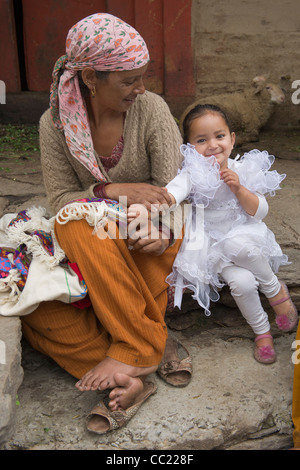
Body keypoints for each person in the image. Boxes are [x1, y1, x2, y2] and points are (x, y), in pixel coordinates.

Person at [20, 12, 192, 434]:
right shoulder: (54, 125)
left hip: (149, 234)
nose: (142, 88)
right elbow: (62, 200)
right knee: (35, 311)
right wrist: (109, 190)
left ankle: (133, 349)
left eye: (143, 76)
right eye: (130, 80)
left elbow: (172, 189)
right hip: (92, 239)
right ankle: (143, 356)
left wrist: (156, 224)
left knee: (92, 232)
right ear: (91, 78)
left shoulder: (151, 110)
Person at [128, 103, 298, 364]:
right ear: (189, 146)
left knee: (238, 245)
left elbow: (260, 212)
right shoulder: (192, 174)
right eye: (201, 140)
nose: (213, 145)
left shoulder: (244, 170)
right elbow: (173, 193)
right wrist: (147, 209)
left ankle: (275, 292)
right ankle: (262, 332)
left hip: (246, 238)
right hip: (213, 247)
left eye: (219, 136)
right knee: (241, 284)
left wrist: (239, 189)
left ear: (231, 139)